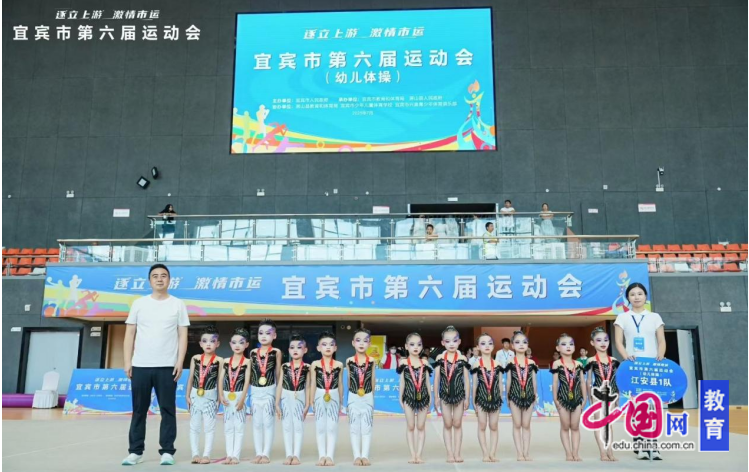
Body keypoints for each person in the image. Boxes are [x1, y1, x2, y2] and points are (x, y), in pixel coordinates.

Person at [122, 264, 189, 466]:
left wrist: (179, 361)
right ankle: (135, 452)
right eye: (155, 276)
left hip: (168, 366)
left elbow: (182, 335)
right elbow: (130, 333)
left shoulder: (178, 304)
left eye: (163, 276)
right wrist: (127, 361)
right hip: (140, 365)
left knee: (167, 409)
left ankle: (167, 451)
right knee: (139, 410)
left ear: (169, 280)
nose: (159, 279)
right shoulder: (139, 304)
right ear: (149, 280)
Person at [614, 282, 666, 461]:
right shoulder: (622, 317)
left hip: (652, 367)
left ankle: (654, 446)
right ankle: (640, 446)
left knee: (653, 407)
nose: (636, 297)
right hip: (633, 368)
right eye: (632, 294)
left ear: (645, 296)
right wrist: (626, 357)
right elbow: (618, 341)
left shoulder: (654, 317)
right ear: (628, 298)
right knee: (637, 407)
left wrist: (660, 355)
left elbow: (661, 340)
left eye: (640, 293)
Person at [186, 326, 222, 464]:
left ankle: (206, 455)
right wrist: (187, 395)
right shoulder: (195, 358)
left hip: (210, 396)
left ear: (217, 344)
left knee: (209, 427)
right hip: (195, 394)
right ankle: (195, 453)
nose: (208, 344)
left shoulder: (219, 360)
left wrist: (219, 398)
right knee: (194, 426)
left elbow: (219, 380)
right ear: (200, 343)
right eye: (205, 341)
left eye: (212, 341)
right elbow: (190, 378)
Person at [434, 326, 470, 463]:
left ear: (459, 342)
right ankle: (449, 453)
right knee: (448, 423)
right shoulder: (440, 358)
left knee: (457, 423)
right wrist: (436, 397)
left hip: (459, 395)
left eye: (454, 341)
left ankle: (457, 453)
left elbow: (466, 379)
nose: (451, 344)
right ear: (443, 343)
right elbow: (437, 378)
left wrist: (467, 397)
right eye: (448, 341)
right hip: (444, 395)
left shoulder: (462, 358)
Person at [249, 319, 282, 464]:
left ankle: (266, 453)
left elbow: (278, 373)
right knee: (257, 423)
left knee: (268, 423)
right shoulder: (252, 353)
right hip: (255, 390)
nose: (263, 336)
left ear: (274, 336)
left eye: (268, 333)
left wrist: (278, 395)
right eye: (260, 333)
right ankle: (258, 452)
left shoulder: (276, 352)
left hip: (270, 390)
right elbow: (250, 373)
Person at [585, 327, 620, 462]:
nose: (603, 343)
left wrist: (618, 396)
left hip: (612, 394)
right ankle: (602, 453)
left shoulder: (614, 360)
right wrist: (589, 397)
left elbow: (617, 379)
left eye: (605, 340)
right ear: (592, 343)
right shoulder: (591, 360)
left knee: (609, 424)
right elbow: (588, 380)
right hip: (597, 394)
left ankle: (610, 451)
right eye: (599, 340)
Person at [276, 333, 311, 466]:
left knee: (298, 426)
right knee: (286, 426)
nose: (295, 350)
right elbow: (280, 384)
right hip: (286, 396)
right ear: (289, 350)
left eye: (299, 347)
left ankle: (296, 454)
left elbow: (308, 386)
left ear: (305, 350)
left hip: (300, 396)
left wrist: (307, 404)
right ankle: (288, 454)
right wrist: (277, 403)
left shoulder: (307, 367)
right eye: (292, 347)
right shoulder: (285, 366)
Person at [551, 334, 586, 462]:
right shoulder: (556, 363)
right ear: (558, 348)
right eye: (564, 344)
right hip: (563, 399)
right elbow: (555, 383)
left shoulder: (578, 364)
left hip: (577, 399)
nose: (568, 347)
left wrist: (584, 399)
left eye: (571, 344)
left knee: (575, 426)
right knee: (565, 426)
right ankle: (568, 453)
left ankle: (575, 452)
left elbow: (582, 382)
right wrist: (556, 399)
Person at [311, 332, 345, 466]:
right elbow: (313, 383)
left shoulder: (339, 364)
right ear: (318, 348)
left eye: (331, 345)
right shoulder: (315, 364)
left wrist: (341, 401)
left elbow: (340, 383)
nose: (328, 347)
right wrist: (311, 400)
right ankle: (321, 455)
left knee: (332, 427)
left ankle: (329, 456)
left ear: (335, 348)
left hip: (334, 395)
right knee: (320, 427)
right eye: (324, 345)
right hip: (319, 395)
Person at [398, 332, 433, 464]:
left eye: (419, 344)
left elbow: (427, 382)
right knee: (411, 426)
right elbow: (402, 382)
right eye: (412, 344)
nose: (416, 347)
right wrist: (400, 398)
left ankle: (419, 454)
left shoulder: (424, 362)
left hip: (423, 397)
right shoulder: (403, 362)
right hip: (408, 397)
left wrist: (430, 398)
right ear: (406, 346)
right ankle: (412, 455)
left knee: (421, 426)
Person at [219, 328, 251, 465]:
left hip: (239, 396)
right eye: (234, 342)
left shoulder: (247, 362)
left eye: (241, 342)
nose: (237, 345)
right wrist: (221, 395)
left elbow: (247, 381)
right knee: (228, 426)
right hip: (227, 395)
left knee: (239, 426)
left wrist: (242, 399)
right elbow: (221, 379)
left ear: (246, 345)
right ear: (230, 344)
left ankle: (236, 455)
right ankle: (229, 454)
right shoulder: (226, 361)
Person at [505, 331, 538, 461]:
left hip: (529, 396)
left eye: (524, 342)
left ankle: (526, 452)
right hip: (514, 396)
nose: (521, 345)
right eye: (517, 342)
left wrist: (534, 396)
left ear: (527, 345)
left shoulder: (531, 363)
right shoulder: (510, 362)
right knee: (517, 424)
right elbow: (508, 380)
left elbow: (534, 381)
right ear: (513, 345)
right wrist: (508, 397)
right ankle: (519, 453)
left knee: (526, 424)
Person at [346, 328, 376, 466]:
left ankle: (365, 455)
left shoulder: (372, 361)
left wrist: (371, 397)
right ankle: (356, 456)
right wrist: (350, 397)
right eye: (358, 340)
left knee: (366, 427)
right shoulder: (349, 361)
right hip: (353, 396)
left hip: (367, 396)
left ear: (369, 344)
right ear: (353, 343)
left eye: (365, 341)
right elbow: (349, 380)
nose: (362, 343)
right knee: (354, 427)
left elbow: (373, 379)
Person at [471, 334, 502, 462]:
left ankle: (492, 453)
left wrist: (500, 399)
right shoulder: (476, 364)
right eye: (483, 343)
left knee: (494, 425)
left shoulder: (498, 364)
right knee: (482, 425)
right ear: (478, 347)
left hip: (495, 398)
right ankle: (485, 453)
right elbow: (474, 385)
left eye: (490, 343)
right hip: (481, 398)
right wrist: (474, 402)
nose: (487, 346)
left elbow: (500, 384)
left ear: (493, 346)